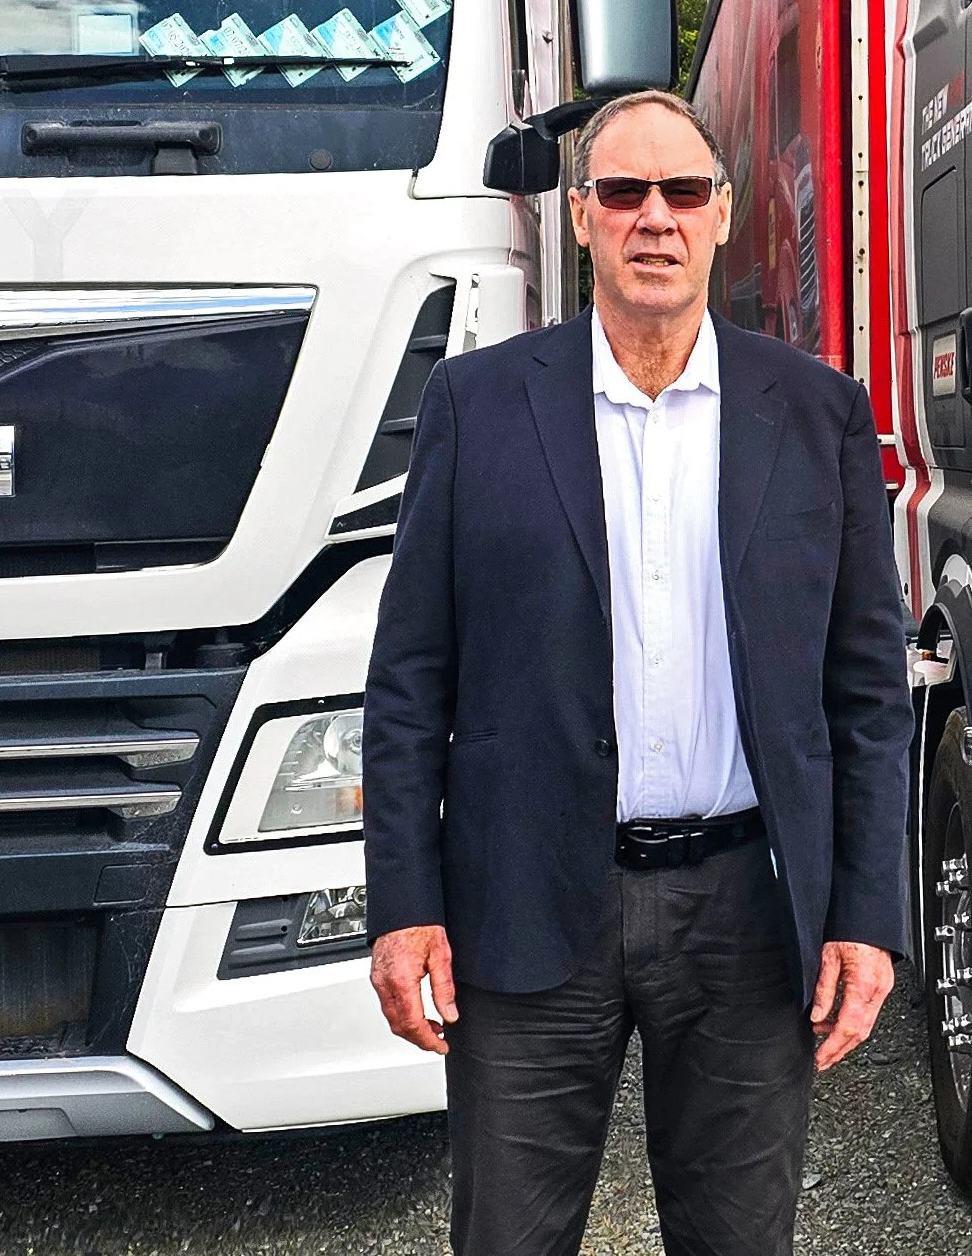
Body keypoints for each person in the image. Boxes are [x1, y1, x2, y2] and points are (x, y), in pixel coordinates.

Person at [361, 90, 911, 1256]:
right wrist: (405, 903)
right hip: (528, 901)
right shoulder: (478, 405)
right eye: (622, 192)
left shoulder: (815, 413)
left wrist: (867, 913)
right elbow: (410, 676)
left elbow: (866, 694)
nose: (651, 218)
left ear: (722, 215)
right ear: (580, 218)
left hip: (745, 914)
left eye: (681, 192)